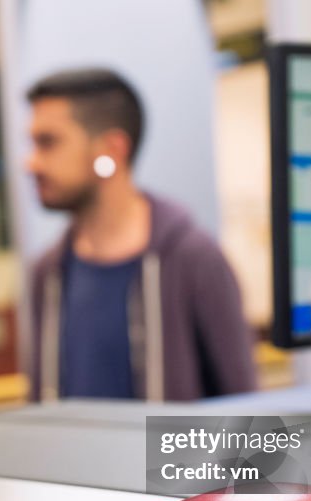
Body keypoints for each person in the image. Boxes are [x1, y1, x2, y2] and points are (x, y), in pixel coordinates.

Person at [25, 68, 256, 401]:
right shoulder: (48, 273)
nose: (30, 163)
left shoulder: (194, 259)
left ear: (111, 150)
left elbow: (248, 420)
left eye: (48, 142)